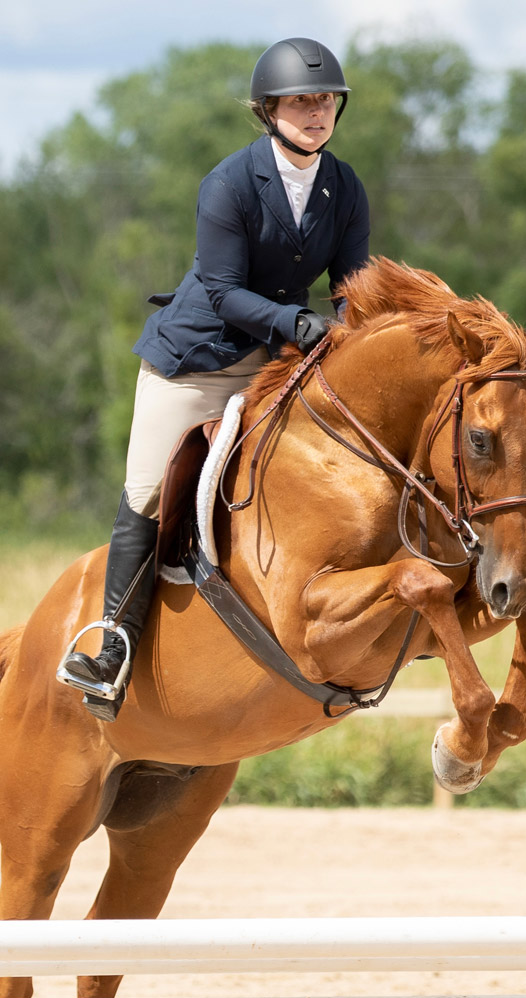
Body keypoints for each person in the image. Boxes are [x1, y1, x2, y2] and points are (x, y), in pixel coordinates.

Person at [57, 36, 371, 720]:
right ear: (268, 110)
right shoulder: (229, 182)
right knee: (146, 491)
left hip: (276, 362)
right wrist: (300, 325)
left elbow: (351, 284)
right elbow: (225, 292)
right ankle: (112, 644)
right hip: (197, 359)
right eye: (301, 101)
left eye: (326, 101)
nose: (316, 113)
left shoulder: (343, 186)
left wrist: (351, 332)